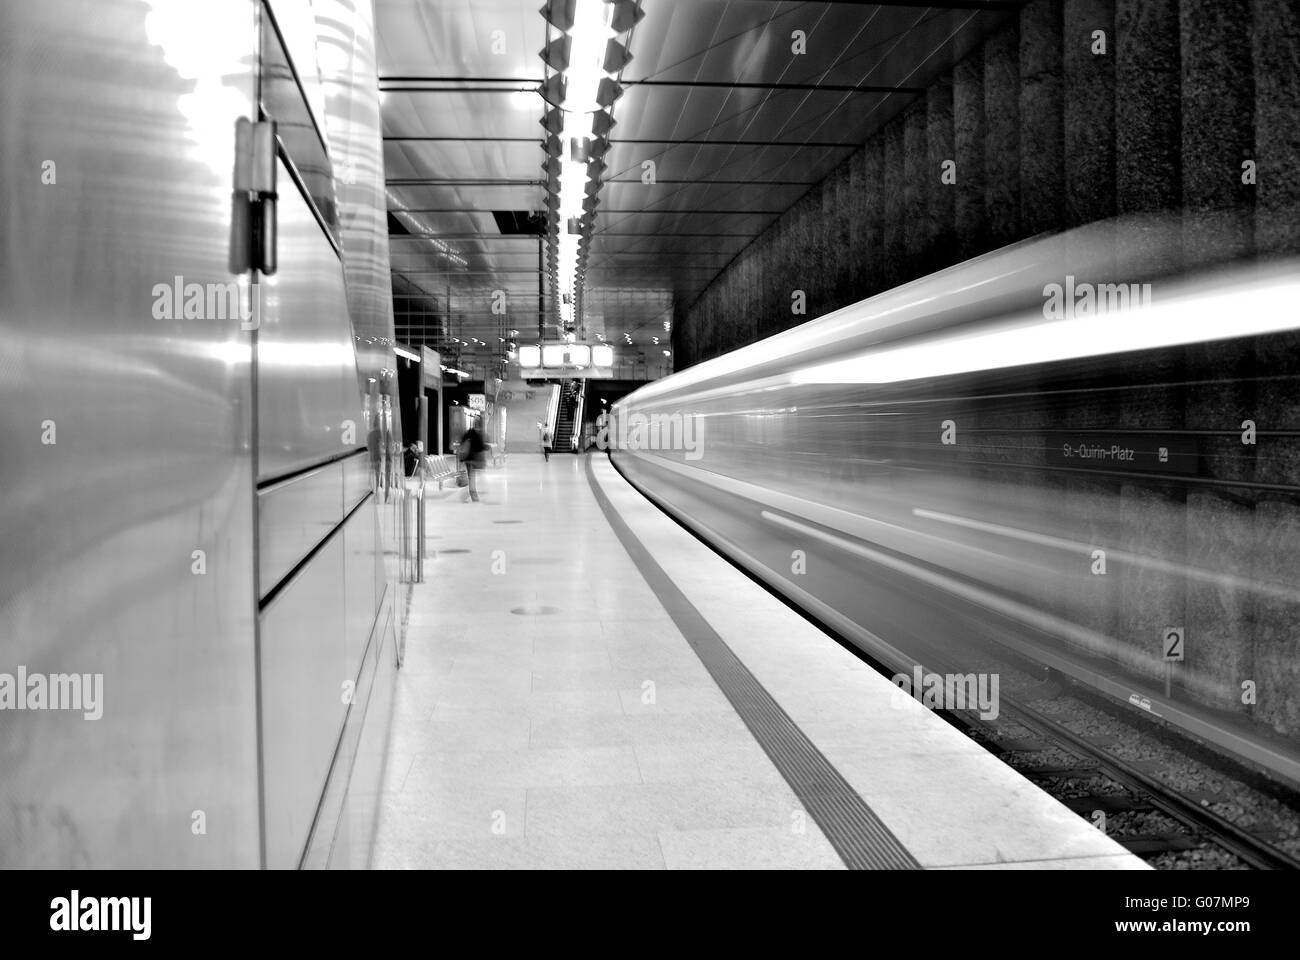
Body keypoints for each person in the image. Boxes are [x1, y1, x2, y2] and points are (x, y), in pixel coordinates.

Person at [457, 425, 487, 502]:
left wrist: (461, 460)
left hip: (467, 460)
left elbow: (461, 447)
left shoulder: (466, 435)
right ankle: (472, 496)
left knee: (470, 477)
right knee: (471, 478)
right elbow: (481, 447)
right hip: (474, 460)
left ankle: (468, 496)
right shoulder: (477, 436)